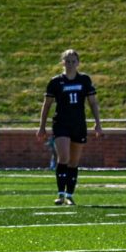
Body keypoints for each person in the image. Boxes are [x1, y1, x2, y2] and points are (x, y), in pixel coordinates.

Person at [37, 49, 103, 205]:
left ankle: (69, 194)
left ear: (78, 63)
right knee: (64, 157)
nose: (70, 64)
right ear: (62, 63)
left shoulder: (84, 80)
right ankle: (60, 193)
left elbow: (92, 102)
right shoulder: (56, 82)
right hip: (61, 123)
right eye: (67, 61)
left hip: (78, 124)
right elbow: (46, 106)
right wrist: (42, 126)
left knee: (74, 161)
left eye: (73, 61)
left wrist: (98, 123)